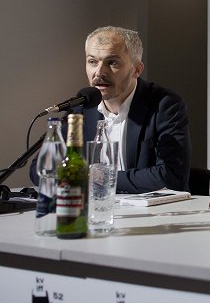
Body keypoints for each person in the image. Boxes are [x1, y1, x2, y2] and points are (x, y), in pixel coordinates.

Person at [31, 26, 191, 193]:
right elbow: (41, 168)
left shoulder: (165, 105)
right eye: (92, 62)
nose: (99, 72)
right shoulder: (81, 106)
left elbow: (171, 176)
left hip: (151, 215)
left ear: (136, 69)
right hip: (93, 209)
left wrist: (94, 178)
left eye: (112, 62)